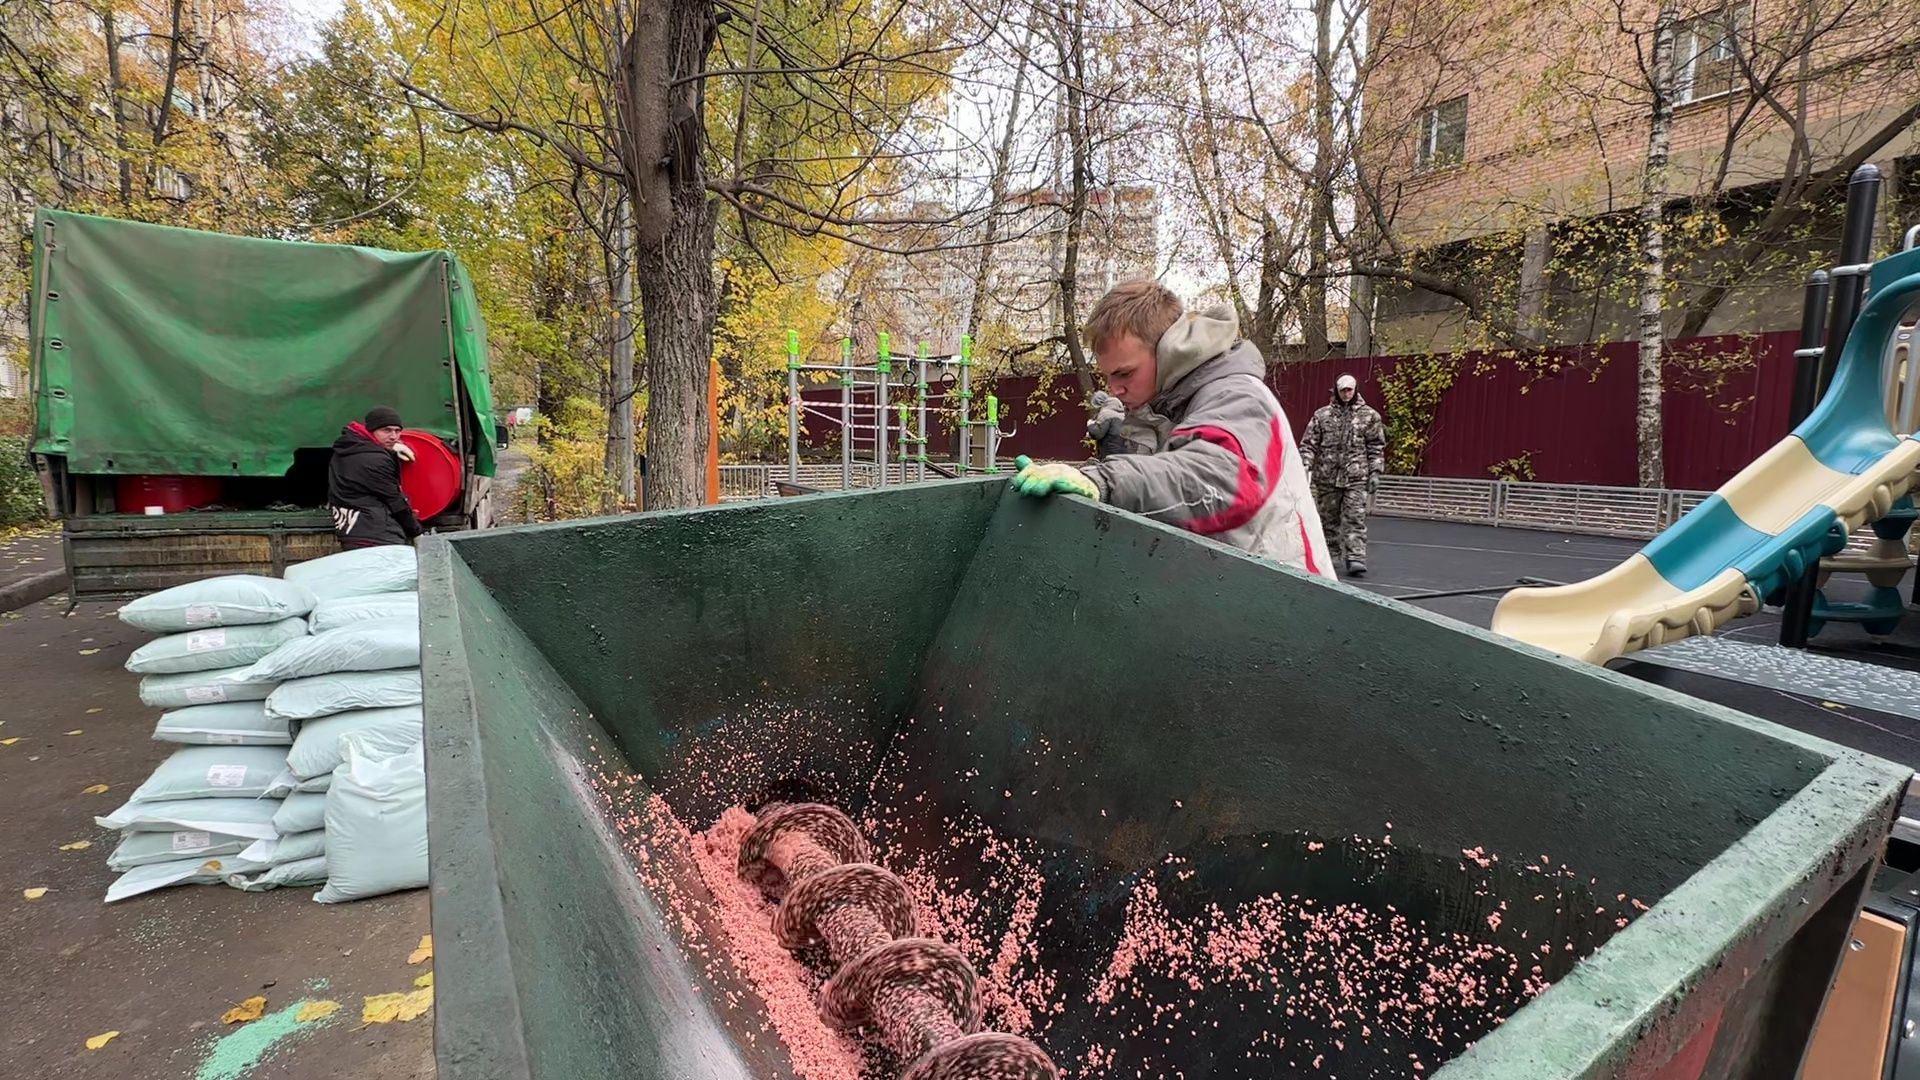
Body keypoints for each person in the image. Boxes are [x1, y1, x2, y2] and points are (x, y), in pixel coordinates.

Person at [1011, 280, 1334, 579]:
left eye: (1125, 373)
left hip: (1291, 598)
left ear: (1168, 351)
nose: (1114, 389)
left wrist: (1104, 481)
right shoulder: (1166, 407)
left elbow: (1216, 481)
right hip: (1233, 588)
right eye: (1108, 376)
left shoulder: (1237, 395)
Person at [1300, 374, 1386, 576]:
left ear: (1355, 390)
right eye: (1343, 390)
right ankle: (1330, 555)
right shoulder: (1322, 416)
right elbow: (1309, 444)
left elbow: (1376, 446)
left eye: (1349, 390)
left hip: (1356, 477)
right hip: (1327, 477)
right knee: (1327, 519)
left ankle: (1356, 557)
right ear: (1336, 391)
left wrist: (1375, 472)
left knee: (1355, 517)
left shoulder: (1369, 416)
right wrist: (1305, 465)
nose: (1346, 394)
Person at [327, 406, 422, 548]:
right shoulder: (375, 460)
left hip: (352, 531)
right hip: (378, 534)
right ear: (371, 430)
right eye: (386, 430)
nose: (393, 437)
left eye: (397, 431)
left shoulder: (346, 449)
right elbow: (395, 501)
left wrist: (390, 451)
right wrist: (416, 531)